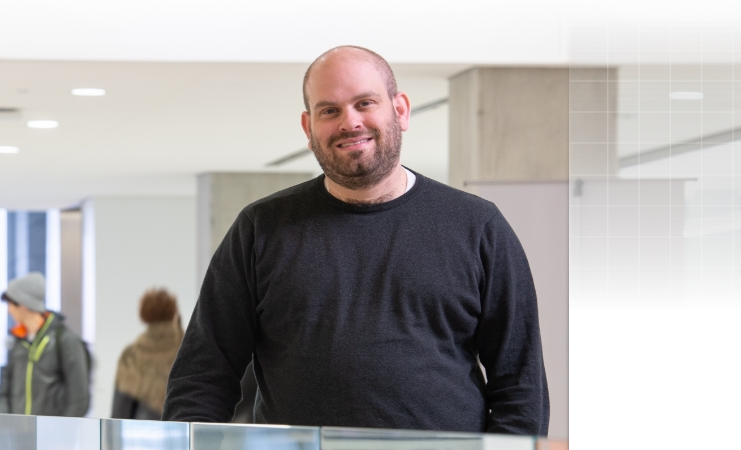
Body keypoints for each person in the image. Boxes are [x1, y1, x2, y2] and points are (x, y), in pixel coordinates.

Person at [163, 45, 549, 435]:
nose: (350, 122)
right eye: (329, 110)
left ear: (400, 110)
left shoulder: (478, 226)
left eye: (365, 103)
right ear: (308, 127)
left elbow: (520, 385)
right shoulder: (261, 228)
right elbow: (203, 376)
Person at [0, 272, 90, 416]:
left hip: (53, 436)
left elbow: (79, 399)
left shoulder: (65, 340)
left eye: (11, 304)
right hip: (18, 435)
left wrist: (60, 433)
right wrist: (5, 426)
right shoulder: (16, 342)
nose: (9, 310)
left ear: (23, 304)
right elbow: (4, 390)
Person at [110, 288, 184, 420]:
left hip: (142, 431)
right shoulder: (186, 348)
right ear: (174, 312)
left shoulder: (131, 355)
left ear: (144, 314)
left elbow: (120, 411)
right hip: (183, 431)